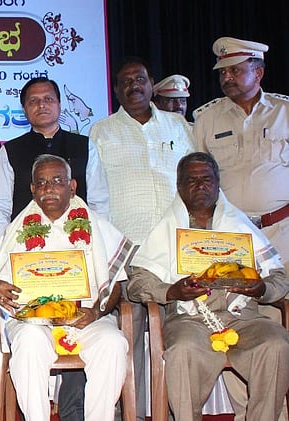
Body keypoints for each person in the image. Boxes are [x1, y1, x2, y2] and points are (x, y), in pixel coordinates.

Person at [127, 152, 289, 421]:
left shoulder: (240, 225)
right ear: (179, 187)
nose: (200, 185)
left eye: (206, 179)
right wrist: (172, 291)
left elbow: (279, 277)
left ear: (217, 184)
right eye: (191, 180)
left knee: (276, 343)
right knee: (183, 350)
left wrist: (261, 290)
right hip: (191, 318)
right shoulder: (167, 229)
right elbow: (137, 283)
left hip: (242, 316)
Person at [0, 154, 132, 421]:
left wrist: (96, 313)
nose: (48, 188)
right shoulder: (19, 227)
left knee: (113, 343)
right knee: (28, 343)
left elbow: (116, 283)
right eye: (41, 182)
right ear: (32, 190)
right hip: (33, 322)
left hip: (85, 317)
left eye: (57, 181)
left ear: (72, 186)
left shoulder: (95, 224)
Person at [89, 56, 194, 420]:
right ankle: (128, 412)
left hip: (175, 248)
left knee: (181, 334)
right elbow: (96, 196)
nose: (133, 86)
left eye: (140, 79)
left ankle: (173, 411)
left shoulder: (179, 126)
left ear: (151, 84)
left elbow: (198, 178)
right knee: (128, 335)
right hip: (129, 249)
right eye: (125, 81)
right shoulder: (100, 131)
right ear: (116, 90)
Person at [193, 37, 289, 265]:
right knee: (238, 298)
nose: (226, 78)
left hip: (283, 230)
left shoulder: (284, 113)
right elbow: (198, 178)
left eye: (235, 70)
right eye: (222, 73)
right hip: (230, 232)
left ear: (258, 73)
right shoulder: (206, 119)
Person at [0, 76, 110, 245]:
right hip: (25, 245)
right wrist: (2, 247)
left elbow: (99, 201)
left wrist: (99, 243)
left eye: (48, 99)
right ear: (24, 109)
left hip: (79, 243)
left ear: (59, 105)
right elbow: (1, 207)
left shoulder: (83, 146)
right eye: (33, 101)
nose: (41, 105)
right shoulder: (11, 150)